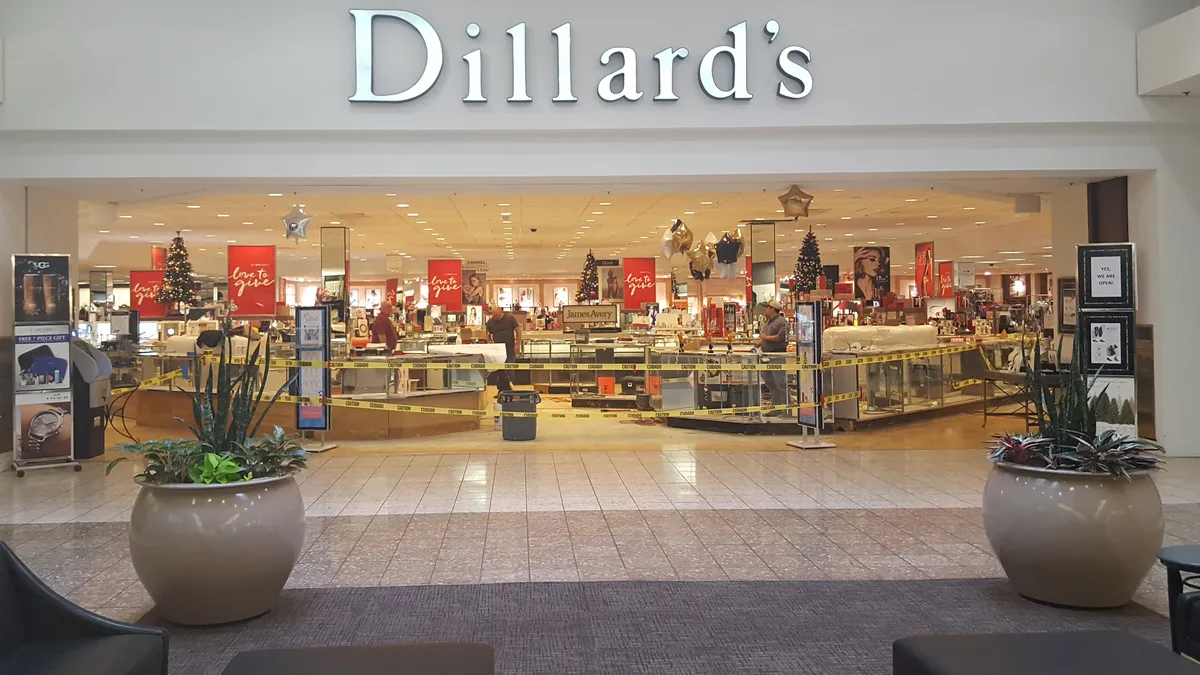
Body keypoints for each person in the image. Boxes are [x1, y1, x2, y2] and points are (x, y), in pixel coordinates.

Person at [760, 300, 791, 416]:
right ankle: (776, 407)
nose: (765, 310)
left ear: (772, 309)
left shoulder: (782, 323)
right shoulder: (768, 322)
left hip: (777, 355)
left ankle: (787, 410)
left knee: (780, 383)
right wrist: (761, 342)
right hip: (767, 356)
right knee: (770, 382)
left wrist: (765, 338)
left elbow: (781, 338)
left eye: (767, 308)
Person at [485, 304, 521, 393]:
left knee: (509, 368)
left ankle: (510, 390)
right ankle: (501, 391)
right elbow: (487, 334)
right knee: (500, 370)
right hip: (498, 350)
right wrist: (490, 343)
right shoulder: (490, 322)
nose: (496, 317)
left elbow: (518, 331)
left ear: (501, 312)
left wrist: (517, 344)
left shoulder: (510, 318)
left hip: (509, 347)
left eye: (497, 315)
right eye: (494, 315)